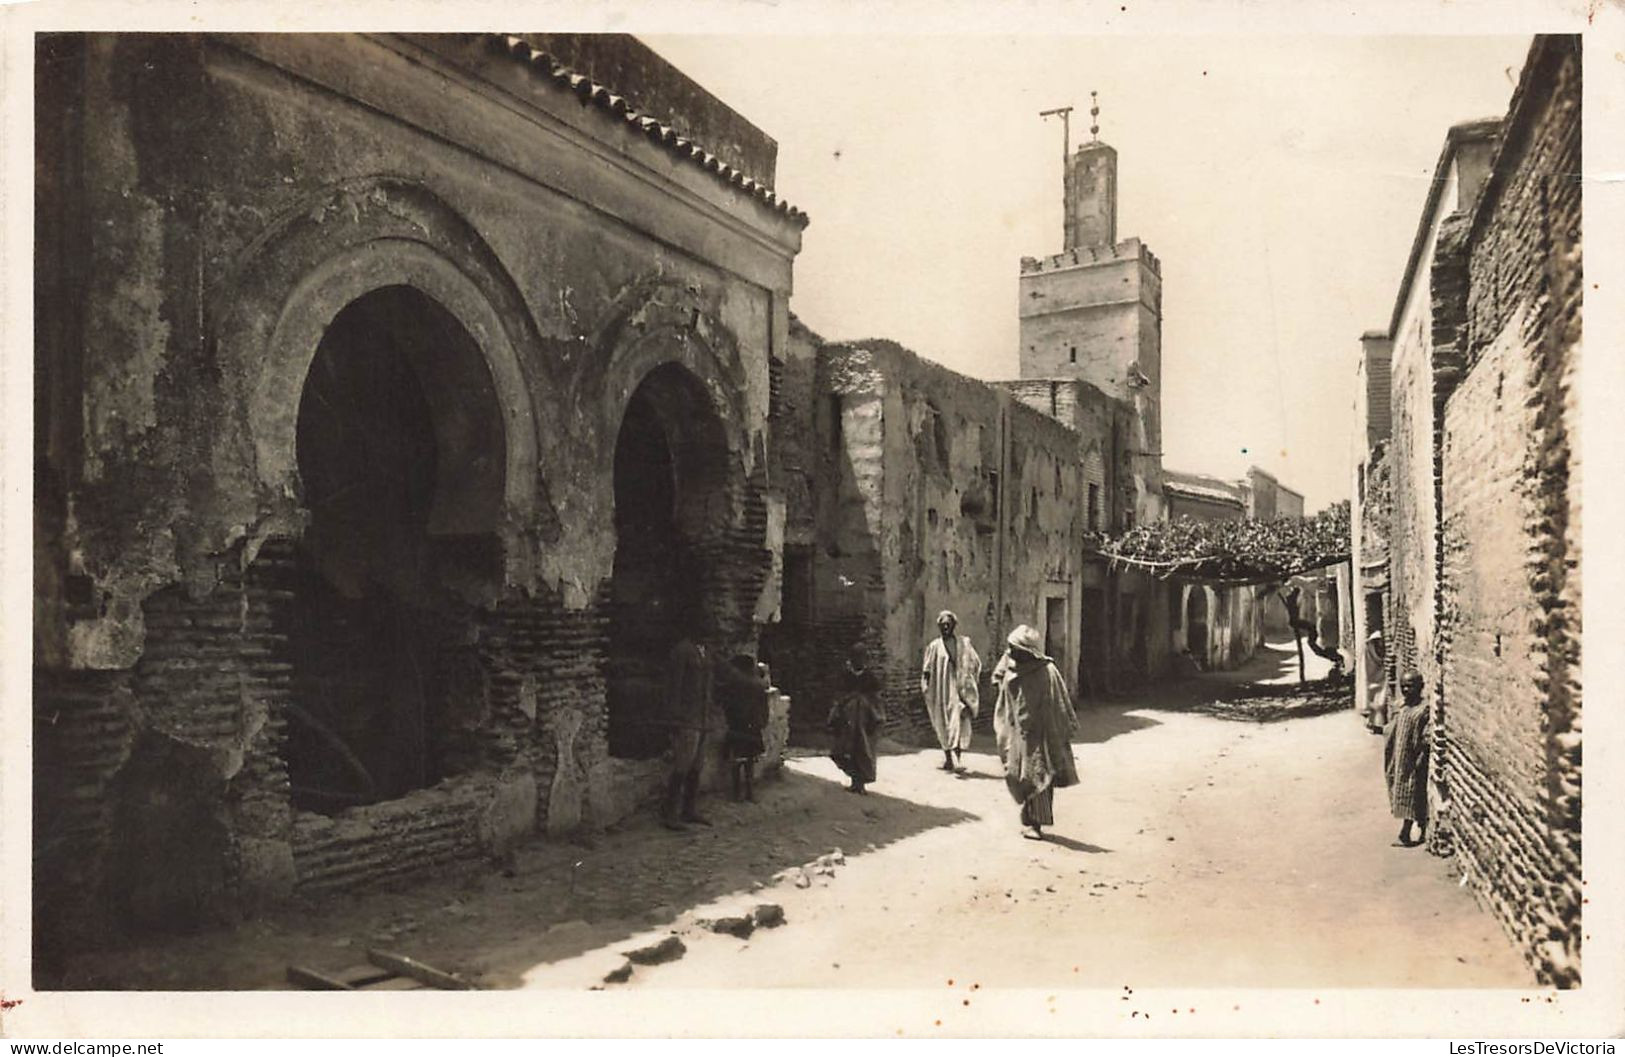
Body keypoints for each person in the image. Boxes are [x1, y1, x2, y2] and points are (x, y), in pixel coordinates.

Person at [993, 625, 1079, 841]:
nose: (1010, 652)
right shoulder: (1014, 668)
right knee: (1018, 774)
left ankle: (1036, 824)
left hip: (1041, 734)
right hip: (1017, 734)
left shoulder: (1045, 671)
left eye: (1014, 649)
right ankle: (1029, 815)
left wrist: (1050, 731)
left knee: (1039, 774)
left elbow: (1058, 704)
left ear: (1026, 650)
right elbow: (1005, 692)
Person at [661, 627, 715, 830]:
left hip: (702, 718)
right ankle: (670, 813)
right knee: (682, 764)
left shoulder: (707, 651)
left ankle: (689, 810)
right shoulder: (682, 651)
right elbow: (674, 685)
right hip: (687, 718)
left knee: (697, 765)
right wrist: (674, 717)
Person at [920, 610, 982, 772]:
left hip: (960, 691)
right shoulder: (934, 647)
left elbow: (976, 663)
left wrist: (970, 679)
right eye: (943, 625)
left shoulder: (964, 644)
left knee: (958, 722)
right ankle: (948, 758)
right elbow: (927, 669)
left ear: (954, 625)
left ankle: (957, 758)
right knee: (942, 723)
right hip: (941, 691)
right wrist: (925, 685)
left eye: (949, 624)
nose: (946, 627)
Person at [1384, 670, 1431, 847]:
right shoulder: (1401, 706)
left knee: (1411, 792)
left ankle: (1407, 832)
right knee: (1400, 789)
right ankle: (1409, 831)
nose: (1405, 689)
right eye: (1402, 686)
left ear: (1420, 687)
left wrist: (1420, 757)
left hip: (1414, 759)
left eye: (1410, 686)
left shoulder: (1422, 710)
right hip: (1398, 758)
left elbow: (1425, 736)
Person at [828, 652, 885, 794]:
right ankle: (855, 781)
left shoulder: (870, 678)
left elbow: (877, 699)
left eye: (860, 659)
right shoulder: (846, 676)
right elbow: (839, 696)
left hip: (864, 722)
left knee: (863, 751)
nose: (857, 662)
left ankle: (861, 784)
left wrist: (867, 708)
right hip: (848, 721)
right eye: (855, 659)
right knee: (846, 750)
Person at [719, 653, 771, 803]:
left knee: (737, 759)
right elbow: (764, 706)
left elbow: (726, 702)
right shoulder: (758, 684)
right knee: (750, 760)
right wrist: (763, 721)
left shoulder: (736, 683)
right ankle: (749, 792)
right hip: (753, 725)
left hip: (737, 724)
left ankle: (737, 793)